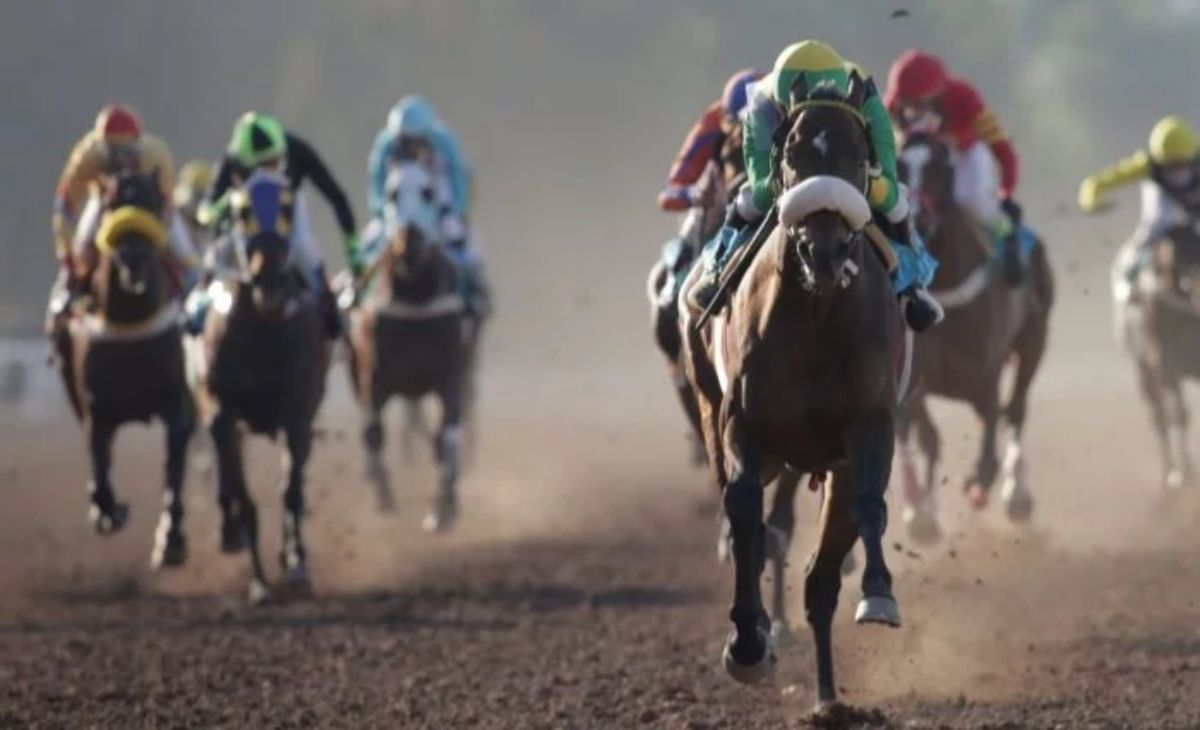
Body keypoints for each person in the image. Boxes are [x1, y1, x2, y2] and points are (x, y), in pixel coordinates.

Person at [688, 40, 942, 332]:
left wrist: (869, 185)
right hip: (790, 167)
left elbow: (887, 176)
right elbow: (759, 180)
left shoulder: (867, 98)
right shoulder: (762, 104)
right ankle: (717, 270)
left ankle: (913, 286)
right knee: (749, 200)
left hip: (847, 163)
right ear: (783, 101)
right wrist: (779, 185)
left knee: (895, 203)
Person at [199, 112, 357, 336]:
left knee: (304, 248)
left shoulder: (295, 148)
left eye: (274, 162)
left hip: (288, 210)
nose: (269, 170)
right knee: (220, 251)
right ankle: (200, 304)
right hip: (247, 216)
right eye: (261, 166)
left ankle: (327, 307)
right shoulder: (232, 157)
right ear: (245, 162)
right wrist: (224, 204)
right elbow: (205, 211)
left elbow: (335, 195)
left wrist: (353, 249)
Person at [885, 49, 1026, 285]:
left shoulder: (965, 98)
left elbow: (1002, 149)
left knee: (971, 198)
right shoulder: (890, 106)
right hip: (919, 159)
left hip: (964, 155)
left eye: (920, 104)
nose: (913, 110)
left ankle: (1006, 236)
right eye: (907, 103)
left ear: (938, 96)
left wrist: (1006, 192)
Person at [52, 104, 198, 301]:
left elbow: (166, 203)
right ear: (100, 147)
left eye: (127, 151)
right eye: (113, 152)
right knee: (83, 242)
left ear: (138, 145)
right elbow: (65, 206)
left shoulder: (155, 155)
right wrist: (68, 256)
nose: (121, 160)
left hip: (147, 201)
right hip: (104, 200)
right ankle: (69, 289)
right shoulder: (86, 157)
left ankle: (192, 282)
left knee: (182, 247)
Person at [366, 95, 488, 316]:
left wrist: (455, 212)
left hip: (437, 211)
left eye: (416, 140)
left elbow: (458, 180)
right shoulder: (386, 146)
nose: (410, 147)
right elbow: (376, 182)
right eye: (405, 141)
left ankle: (473, 291)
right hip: (397, 214)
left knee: (464, 242)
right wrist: (382, 212)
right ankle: (363, 295)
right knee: (371, 241)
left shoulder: (444, 144)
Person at [1078, 115, 1200, 301]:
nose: (1177, 173)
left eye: (1182, 165)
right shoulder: (1146, 165)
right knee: (1152, 230)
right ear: (1158, 161)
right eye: (1170, 166)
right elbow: (1103, 181)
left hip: (1195, 209)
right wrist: (1090, 198)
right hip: (1162, 208)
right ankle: (1127, 276)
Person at [657, 68, 762, 213]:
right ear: (728, 123)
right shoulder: (709, 128)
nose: (758, 130)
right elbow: (668, 194)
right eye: (745, 126)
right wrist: (694, 194)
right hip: (717, 204)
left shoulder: (783, 107)